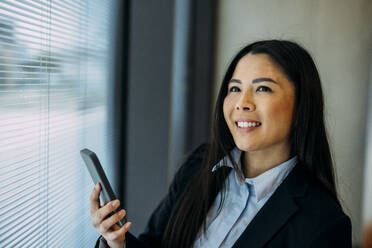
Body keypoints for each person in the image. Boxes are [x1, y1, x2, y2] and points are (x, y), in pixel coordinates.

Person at [90, 40, 352, 248]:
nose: (242, 103)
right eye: (235, 88)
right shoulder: (199, 164)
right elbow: (154, 243)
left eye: (262, 89)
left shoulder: (324, 223)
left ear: (301, 106)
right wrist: (117, 242)